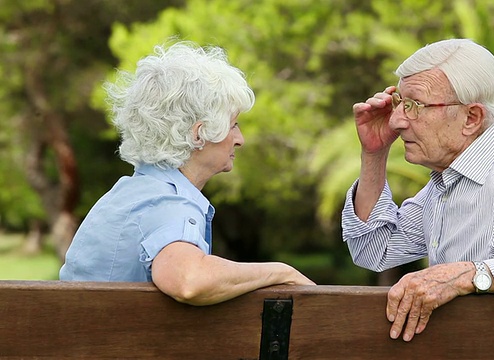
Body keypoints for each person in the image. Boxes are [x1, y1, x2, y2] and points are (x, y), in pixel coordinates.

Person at [341, 39, 494, 342]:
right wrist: (373, 154)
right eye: (399, 103)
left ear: (471, 118)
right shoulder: (454, 174)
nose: (396, 121)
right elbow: (374, 250)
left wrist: (463, 276)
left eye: (415, 106)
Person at [60, 40, 315, 305]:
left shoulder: (128, 194)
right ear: (198, 134)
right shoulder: (166, 202)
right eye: (233, 125)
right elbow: (189, 281)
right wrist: (281, 271)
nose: (240, 139)